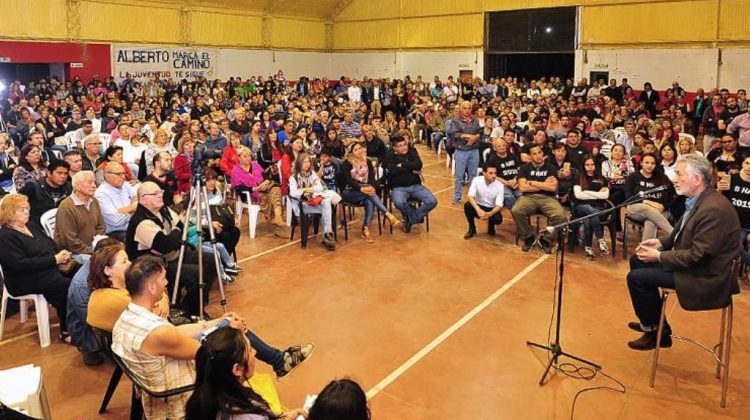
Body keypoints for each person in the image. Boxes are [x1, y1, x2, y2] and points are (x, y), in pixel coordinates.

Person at [112, 256, 313, 419]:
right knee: (232, 340)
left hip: (155, 380)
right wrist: (225, 327)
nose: (167, 283)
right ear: (151, 287)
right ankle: (278, 365)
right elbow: (204, 351)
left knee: (229, 328)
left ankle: (279, 360)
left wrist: (213, 323)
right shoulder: (157, 332)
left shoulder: (129, 315)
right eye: (163, 279)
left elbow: (175, 334)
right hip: (178, 391)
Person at [626, 154, 740, 350]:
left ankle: (656, 331)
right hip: (695, 263)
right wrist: (661, 243)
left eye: (679, 174)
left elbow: (699, 255)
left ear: (697, 179)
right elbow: (679, 234)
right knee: (638, 261)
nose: (674, 179)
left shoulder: (714, 209)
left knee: (636, 277)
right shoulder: (697, 199)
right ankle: (654, 324)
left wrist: (660, 256)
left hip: (705, 274)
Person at [125, 181, 216, 316]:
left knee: (210, 259)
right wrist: (178, 228)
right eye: (154, 194)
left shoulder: (164, 209)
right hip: (152, 266)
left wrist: (177, 229)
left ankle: (192, 304)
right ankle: (191, 311)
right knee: (197, 273)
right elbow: (166, 245)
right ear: (143, 200)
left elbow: (181, 229)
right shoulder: (141, 221)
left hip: (172, 255)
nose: (160, 195)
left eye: (160, 192)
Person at [184, 327, 308, 420]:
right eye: (250, 350)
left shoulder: (203, 399)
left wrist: (286, 417)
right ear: (237, 369)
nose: (255, 352)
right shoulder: (246, 415)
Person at [0, 194, 74, 343]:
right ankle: (67, 329)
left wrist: (60, 254)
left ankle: (81, 320)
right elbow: (20, 265)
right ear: (10, 212)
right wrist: (53, 259)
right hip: (24, 279)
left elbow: (49, 243)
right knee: (67, 287)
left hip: (46, 269)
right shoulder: (5, 236)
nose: (27, 211)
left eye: (27, 208)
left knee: (78, 273)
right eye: (22, 209)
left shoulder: (31, 225)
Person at [66, 237, 122, 367]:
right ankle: (90, 348)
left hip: (107, 314)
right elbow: (91, 319)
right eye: (122, 260)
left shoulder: (104, 268)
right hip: (88, 327)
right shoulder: (80, 285)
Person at [340, 143, 401, 242]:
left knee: (369, 201)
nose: (359, 151)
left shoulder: (367, 161)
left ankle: (365, 229)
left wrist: (371, 187)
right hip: (350, 191)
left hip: (366, 191)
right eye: (356, 149)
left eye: (360, 148)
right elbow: (348, 181)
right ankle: (387, 214)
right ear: (351, 153)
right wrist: (361, 189)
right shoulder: (346, 163)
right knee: (370, 195)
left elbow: (372, 178)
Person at [511, 144, 567, 253]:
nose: (537, 156)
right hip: (529, 197)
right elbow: (522, 187)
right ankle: (528, 237)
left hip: (548, 198)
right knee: (516, 210)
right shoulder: (524, 168)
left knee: (560, 215)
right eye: (534, 154)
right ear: (530, 156)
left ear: (543, 154)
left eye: (539, 153)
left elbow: (552, 187)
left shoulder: (551, 168)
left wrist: (532, 182)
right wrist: (543, 184)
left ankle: (546, 238)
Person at [381, 135, 437, 233]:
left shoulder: (412, 152)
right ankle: (416, 216)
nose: (404, 147)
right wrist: (411, 169)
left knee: (432, 201)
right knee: (398, 202)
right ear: (395, 148)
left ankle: (410, 219)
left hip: (415, 186)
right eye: (400, 146)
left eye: (405, 144)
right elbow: (392, 170)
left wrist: (402, 165)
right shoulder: (390, 155)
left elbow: (419, 165)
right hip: (399, 187)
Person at [231, 146, 289, 239]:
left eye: (249, 156)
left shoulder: (255, 164)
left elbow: (265, 175)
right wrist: (255, 189)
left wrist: (266, 181)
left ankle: (278, 218)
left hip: (265, 189)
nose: (248, 158)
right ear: (239, 158)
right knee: (273, 193)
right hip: (251, 195)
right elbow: (238, 188)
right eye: (245, 156)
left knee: (275, 188)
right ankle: (278, 219)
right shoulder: (236, 170)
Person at [54, 170, 105, 263]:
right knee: (101, 262)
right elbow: (70, 241)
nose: (94, 186)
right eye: (89, 182)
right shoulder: (66, 207)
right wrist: (93, 251)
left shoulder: (94, 201)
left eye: (94, 182)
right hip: (74, 253)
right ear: (77, 186)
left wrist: (98, 245)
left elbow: (101, 226)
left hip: (92, 247)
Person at [289, 152, 336, 250]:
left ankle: (327, 235)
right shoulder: (293, 178)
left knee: (326, 202)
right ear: (299, 163)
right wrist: (307, 190)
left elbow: (319, 187)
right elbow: (293, 193)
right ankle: (327, 235)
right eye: (304, 162)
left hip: (314, 202)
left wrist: (307, 189)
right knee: (327, 208)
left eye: (308, 162)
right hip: (302, 205)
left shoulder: (312, 174)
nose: (307, 164)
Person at [624, 153, 675, 241]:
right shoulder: (633, 177)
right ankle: (674, 233)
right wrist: (646, 202)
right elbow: (628, 196)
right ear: (641, 163)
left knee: (651, 222)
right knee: (647, 208)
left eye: (652, 163)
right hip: (636, 207)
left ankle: (644, 252)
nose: (649, 165)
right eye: (647, 162)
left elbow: (673, 196)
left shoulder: (662, 177)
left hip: (659, 210)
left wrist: (664, 206)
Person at [572, 156, 610, 259]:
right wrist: (597, 194)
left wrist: (587, 192)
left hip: (599, 208)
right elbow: (578, 195)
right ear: (583, 166)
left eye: (592, 164)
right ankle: (601, 240)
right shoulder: (578, 177)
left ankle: (588, 248)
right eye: (587, 165)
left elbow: (605, 196)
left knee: (589, 218)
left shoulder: (602, 178)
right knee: (588, 209)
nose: (590, 167)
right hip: (580, 207)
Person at [718, 154, 750, 266]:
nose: (749, 167)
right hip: (735, 225)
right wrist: (719, 190)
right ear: (742, 164)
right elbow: (718, 201)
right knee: (735, 246)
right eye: (747, 163)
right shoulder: (731, 179)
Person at [19, 159, 72, 227]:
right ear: (49, 173)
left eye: (65, 174)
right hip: (37, 227)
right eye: (59, 173)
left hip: (63, 225)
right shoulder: (33, 187)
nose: (63, 176)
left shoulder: (69, 188)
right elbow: (17, 206)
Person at [447, 101, 481, 205]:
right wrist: (470, 137)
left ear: (471, 109)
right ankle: (457, 197)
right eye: (465, 108)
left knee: (473, 175)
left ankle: (472, 197)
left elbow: (479, 132)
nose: (467, 110)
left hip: (474, 150)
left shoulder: (475, 119)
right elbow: (455, 134)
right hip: (461, 151)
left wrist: (475, 137)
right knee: (459, 176)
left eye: (469, 108)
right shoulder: (455, 120)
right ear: (461, 109)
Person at [95, 162, 138, 242]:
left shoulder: (125, 185)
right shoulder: (101, 194)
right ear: (107, 177)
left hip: (133, 224)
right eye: (118, 174)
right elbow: (116, 221)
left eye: (123, 173)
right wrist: (133, 208)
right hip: (116, 232)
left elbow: (138, 199)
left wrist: (124, 210)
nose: (123, 177)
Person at [463, 164, 504, 239]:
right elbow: (470, 196)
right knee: (467, 206)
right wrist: (478, 210)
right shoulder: (476, 180)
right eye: (491, 173)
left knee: (498, 219)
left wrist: (489, 214)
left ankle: (491, 225)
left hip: (491, 208)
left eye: (495, 173)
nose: (494, 175)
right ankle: (472, 228)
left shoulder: (500, 185)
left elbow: (499, 205)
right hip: (479, 206)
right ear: (484, 173)